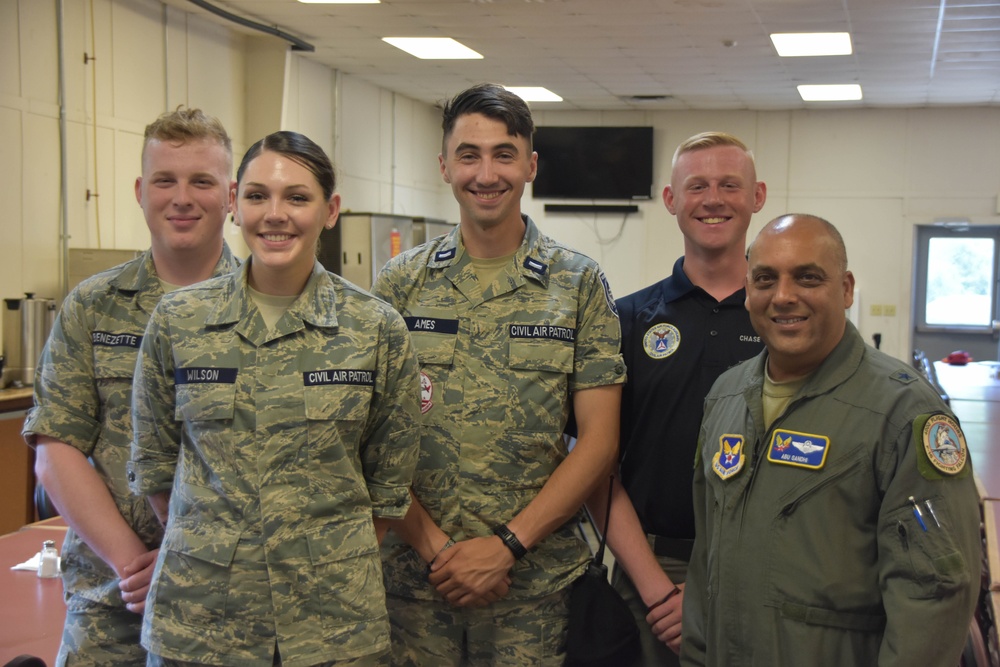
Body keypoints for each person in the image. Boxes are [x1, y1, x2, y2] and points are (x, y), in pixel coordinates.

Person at [128, 131, 420, 666]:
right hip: (201, 623)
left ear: (330, 210)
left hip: (333, 625)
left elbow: (388, 480)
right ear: (236, 205)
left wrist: (326, 558)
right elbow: (153, 465)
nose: (275, 214)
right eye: (259, 196)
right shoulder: (178, 321)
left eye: (298, 198)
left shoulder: (375, 329)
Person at [373, 83, 625, 665]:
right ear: (444, 166)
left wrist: (508, 546)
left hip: (532, 592)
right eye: (469, 154)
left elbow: (599, 441)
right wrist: (437, 549)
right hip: (414, 588)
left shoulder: (578, 285)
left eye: (504, 154)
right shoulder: (398, 284)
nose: (486, 173)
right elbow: (374, 437)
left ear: (530, 165)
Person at [681, 214, 981, 666]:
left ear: (845, 288)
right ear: (748, 291)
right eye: (765, 279)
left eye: (807, 277)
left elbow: (934, 593)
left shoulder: (904, 413)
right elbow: (706, 561)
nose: (783, 296)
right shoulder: (725, 396)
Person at [23, 107, 241, 666]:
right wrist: (132, 564)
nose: (182, 198)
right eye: (165, 181)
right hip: (110, 600)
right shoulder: (93, 307)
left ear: (232, 195)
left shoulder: (266, 309)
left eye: (202, 181)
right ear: (141, 192)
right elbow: (56, 450)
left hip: (231, 604)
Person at [585, 131, 766, 665]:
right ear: (671, 200)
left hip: (766, 570)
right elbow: (597, 464)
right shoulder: (625, 320)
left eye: (730, 185)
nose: (713, 199)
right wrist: (659, 590)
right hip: (651, 572)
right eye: (697, 186)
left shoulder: (784, 320)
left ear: (756, 197)